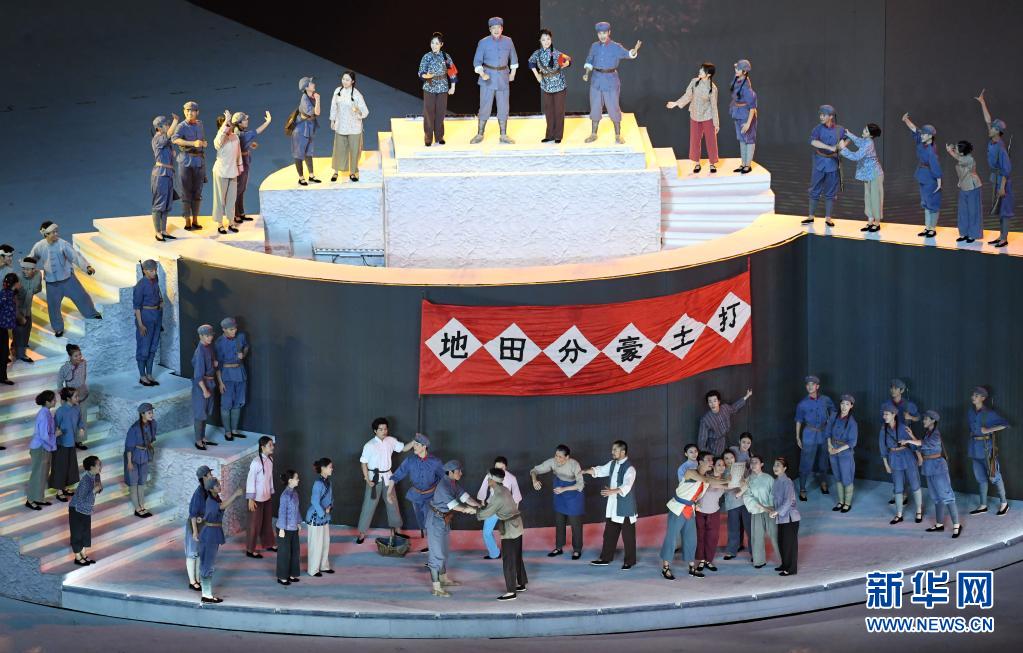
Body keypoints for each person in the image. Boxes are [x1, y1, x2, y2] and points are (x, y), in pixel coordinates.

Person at [659, 451, 726, 579]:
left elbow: (717, 483)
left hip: (690, 510)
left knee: (691, 539)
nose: (711, 463)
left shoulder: (706, 478)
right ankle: (665, 567)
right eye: (708, 460)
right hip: (678, 508)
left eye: (712, 460)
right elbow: (707, 480)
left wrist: (734, 482)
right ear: (700, 461)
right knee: (671, 538)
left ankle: (691, 567)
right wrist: (725, 480)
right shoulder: (691, 472)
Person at [29, 221, 100, 337]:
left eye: (56, 231)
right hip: (52, 284)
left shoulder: (63, 244)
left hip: (68, 280)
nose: (56, 234)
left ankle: (92, 314)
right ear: (46, 234)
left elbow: (75, 256)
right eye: (53, 232)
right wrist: (28, 268)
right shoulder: (39, 246)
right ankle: (58, 328)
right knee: (53, 307)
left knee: (82, 297)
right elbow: (31, 259)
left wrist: (87, 267)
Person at [902, 411, 962, 538]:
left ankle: (957, 525)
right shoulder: (928, 434)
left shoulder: (936, 434)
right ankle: (939, 524)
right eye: (924, 419)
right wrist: (912, 436)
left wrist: (909, 440)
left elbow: (924, 444)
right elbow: (921, 446)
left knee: (947, 496)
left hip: (938, 467)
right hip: (929, 467)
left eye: (926, 419)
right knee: (936, 497)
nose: (923, 421)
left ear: (933, 420)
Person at [426, 460, 479, 597]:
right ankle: (436, 587)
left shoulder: (453, 483)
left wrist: (479, 506)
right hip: (435, 521)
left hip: (444, 520)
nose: (461, 473)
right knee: (437, 554)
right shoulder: (443, 486)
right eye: (458, 471)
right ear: (450, 472)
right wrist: (469, 510)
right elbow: (455, 506)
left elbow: (466, 498)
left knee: (444, 551)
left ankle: (443, 579)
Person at [582, 22, 640, 144]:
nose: (602, 36)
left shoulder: (615, 47)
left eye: (604, 33)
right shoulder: (594, 46)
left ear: (609, 32)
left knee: (613, 107)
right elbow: (589, 60)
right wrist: (587, 73)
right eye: (599, 33)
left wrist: (633, 51)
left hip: (611, 81)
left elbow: (627, 54)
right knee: (595, 106)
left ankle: (618, 135)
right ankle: (593, 133)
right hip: (596, 80)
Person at [356, 417, 412, 543]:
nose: (384, 431)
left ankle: (398, 530)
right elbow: (363, 463)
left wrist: (414, 442)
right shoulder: (369, 445)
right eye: (380, 429)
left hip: (388, 477)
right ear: (375, 431)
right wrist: (367, 479)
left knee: (393, 504)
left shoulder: (391, 440)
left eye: (385, 429)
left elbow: (403, 448)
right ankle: (362, 533)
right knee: (369, 506)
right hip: (374, 478)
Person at [476, 467, 527, 600]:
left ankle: (511, 592)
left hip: (509, 529)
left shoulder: (497, 495)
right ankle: (521, 583)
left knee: (508, 559)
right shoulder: (504, 489)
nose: (487, 479)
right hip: (517, 525)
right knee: (517, 556)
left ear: (493, 480)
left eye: (488, 477)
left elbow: (485, 514)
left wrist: (475, 511)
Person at [585, 440, 637, 569]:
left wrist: (612, 491)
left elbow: (627, 485)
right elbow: (600, 470)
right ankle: (605, 558)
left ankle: (629, 561)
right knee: (609, 534)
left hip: (625, 507)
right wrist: (585, 471)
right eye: (612, 449)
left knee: (628, 537)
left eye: (615, 450)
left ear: (623, 452)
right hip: (613, 506)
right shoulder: (612, 464)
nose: (612, 452)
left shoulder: (630, 468)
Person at [388, 432, 445, 548]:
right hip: (416, 496)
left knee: (430, 521)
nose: (414, 447)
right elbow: (396, 476)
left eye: (417, 445)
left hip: (431, 496)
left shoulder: (436, 462)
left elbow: (444, 479)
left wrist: (444, 496)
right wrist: (389, 492)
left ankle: (433, 546)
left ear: (424, 446)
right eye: (414, 444)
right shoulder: (410, 460)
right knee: (421, 519)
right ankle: (427, 536)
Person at [530, 443, 586, 559]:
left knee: (575, 524)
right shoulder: (552, 462)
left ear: (567, 457)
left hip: (573, 494)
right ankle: (559, 547)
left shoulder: (574, 464)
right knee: (559, 522)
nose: (557, 459)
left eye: (560, 457)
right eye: (556, 455)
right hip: (559, 493)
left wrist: (564, 489)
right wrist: (534, 480)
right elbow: (534, 470)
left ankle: (577, 549)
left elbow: (580, 484)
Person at [470, 17, 519, 145]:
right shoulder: (483, 42)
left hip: (503, 77)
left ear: (502, 28)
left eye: (498, 27)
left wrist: (513, 73)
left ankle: (503, 135)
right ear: (490, 29)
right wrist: (482, 73)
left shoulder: (508, 41)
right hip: (488, 77)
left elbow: (513, 58)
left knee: (504, 106)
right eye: (493, 28)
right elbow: (477, 61)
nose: (496, 30)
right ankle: (480, 134)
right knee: (485, 106)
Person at [975, 90, 1013, 247]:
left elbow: (1006, 170)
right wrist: (983, 103)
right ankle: (1001, 236)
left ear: (998, 131)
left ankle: (1004, 238)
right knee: (999, 209)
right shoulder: (993, 141)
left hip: (1003, 181)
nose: (989, 129)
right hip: (996, 179)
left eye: (992, 128)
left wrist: (1002, 187)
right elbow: (988, 120)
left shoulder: (1001, 148)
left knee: (1004, 210)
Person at [198, 476, 245, 603]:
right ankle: (206, 595)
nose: (219, 486)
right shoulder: (212, 501)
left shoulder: (214, 498)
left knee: (207, 562)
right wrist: (235, 495)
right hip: (210, 534)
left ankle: (206, 592)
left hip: (211, 533)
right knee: (208, 563)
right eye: (217, 485)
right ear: (211, 489)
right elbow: (221, 506)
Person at [666, 62, 720, 173]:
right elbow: (687, 96)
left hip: (708, 116)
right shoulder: (694, 82)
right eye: (700, 69)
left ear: (709, 74)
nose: (700, 71)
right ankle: (697, 163)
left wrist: (716, 123)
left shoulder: (713, 88)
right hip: (695, 115)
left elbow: (714, 106)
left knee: (711, 140)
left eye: (702, 70)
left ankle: (712, 163)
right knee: (695, 140)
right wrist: (676, 103)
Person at [966, 386, 1009, 516]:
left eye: (976, 395)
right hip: (974, 448)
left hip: (986, 449)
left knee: (994, 475)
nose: (973, 397)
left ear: (983, 398)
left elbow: (1005, 424)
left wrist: (988, 430)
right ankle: (983, 505)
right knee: (980, 478)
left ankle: (1004, 503)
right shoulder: (970, 412)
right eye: (973, 395)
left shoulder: (989, 413)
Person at [879, 402, 923, 525]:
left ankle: (919, 510)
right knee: (898, 487)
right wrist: (886, 464)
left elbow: (913, 444)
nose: (884, 416)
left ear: (894, 415)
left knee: (915, 483)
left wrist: (919, 457)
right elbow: (882, 449)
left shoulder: (903, 428)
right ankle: (899, 514)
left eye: (887, 414)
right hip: (893, 458)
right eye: (884, 414)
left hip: (907, 457)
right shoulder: (883, 430)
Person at [836, 123, 884, 232]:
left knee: (875, 198)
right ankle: (870, 221)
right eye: (865, 129)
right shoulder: (866, 141)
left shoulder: (869, 144)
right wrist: (849, 133)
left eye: (866, 131)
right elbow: (858, 141)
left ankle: (877, 223)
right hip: (867, 174)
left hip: (874, 173)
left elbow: (856, 156)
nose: (863, 131)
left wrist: (843, 148)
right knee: (868, 197)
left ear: (871, 135)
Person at [901, 113, 942, 238]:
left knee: (932, 203)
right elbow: (914, 129)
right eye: (922, 133)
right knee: (925, 202)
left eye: (924, 134)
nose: (921, 135)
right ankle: (927, 227)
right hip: (923, 175)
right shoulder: (922, 141)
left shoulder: (931, 150)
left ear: (930, 136)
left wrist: (939, 181)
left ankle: (932, 228)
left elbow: (935, 166)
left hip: (930, 178)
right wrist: (906, 120)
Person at [803, 105, 844, 227]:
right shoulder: (817, 129)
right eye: (820, 114)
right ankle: (811, 216)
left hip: (833, 162)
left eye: (823, 115)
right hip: (819, 161)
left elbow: (845, 139)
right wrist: (829, 147)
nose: (821, 117)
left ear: (831, 116)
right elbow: (813, 141)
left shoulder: (840, 129)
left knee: (831, 190)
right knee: (815, 188)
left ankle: (828, 218)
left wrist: (841, 145)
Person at [795, 375, 835, 500]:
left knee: (824, 460)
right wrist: (797, 437)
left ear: (817, 386)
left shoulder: (826, 400)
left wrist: (830, 423)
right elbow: (798, 420)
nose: (810, 387)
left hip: (824, 433)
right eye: (808, 385)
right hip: (809, 434)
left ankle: (823, 482)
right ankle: (802, 488)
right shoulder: (802, 404)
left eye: (813, 384)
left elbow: (834, 411)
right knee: (805, 462)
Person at [528, 28, 570, 144]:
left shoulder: (556, 53)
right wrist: (537, 75)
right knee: (549, 111)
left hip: (559, 85)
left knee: (559, 111)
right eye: (543, 39)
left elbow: (567, 60)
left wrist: (567, 63)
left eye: (548, 39)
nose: (546, 41)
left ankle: (558, 136)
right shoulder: (537, 53)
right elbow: (531, 63)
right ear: (540, 41)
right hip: (546, 85)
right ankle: (550, 135)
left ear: (551, 40)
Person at [476, 456, 522, 559]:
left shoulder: (512, 478)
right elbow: (483, 489)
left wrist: (513, 514)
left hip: (506, 508)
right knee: (486, 532)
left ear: (506, 467)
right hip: (492, 506)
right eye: (497, 468)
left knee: (508, 533)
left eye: (502, 468)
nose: (499, 470)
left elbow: (516, 497)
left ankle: (511, 554)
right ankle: (495, 553)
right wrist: (483, 504)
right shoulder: (489, 476)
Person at [171, 100, 207, 231]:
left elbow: (201, 139)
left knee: (198, 192)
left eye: (192, 111)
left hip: (199, 161)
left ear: (197, 112)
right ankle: (187, 221)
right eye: (187, 111)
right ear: (184, 112)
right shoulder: (181, 126)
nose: (189, 113)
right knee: (186, 192)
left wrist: (203, 143)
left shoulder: (200, 124)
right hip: (186, 160)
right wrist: (192, 143)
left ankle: (195, 220)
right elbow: (175, 139)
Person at [736, 454, 777, 569]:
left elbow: (773, 494)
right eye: (752, 462)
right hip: (756, 511)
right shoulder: (747, 480)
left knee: (775, 535)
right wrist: (763, 508)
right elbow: (748, 497)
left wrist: (770, 508)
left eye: (756, 462)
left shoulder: (769, 478)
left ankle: (783, 560)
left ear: (761, 464)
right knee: (757, 537)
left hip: (771, 510)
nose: (753, 464)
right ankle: (759, 561)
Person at [329, 71, 369, 183]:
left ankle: (352, 172)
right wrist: (332, 120)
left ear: (352, 81)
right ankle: (336, 171)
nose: (344, 82)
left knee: (354, 150)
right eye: (343, 79)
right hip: (341, 125)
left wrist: (358, 111)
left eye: (347, 80)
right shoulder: (338, 91)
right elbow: (333, 107)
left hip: (354, 127)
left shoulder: (357, 95)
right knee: (339, 149)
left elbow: (365, 112)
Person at [418, 32, 457, 147]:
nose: (434, 45)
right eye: (432, 43)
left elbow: (452, 71)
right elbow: (421, 71)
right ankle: (428, 136)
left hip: (443, 86)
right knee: (429, 112)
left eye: (437, 43)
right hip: (429, 86)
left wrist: (453, 86)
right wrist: (426, 76)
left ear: (441, 44)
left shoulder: (445, 56)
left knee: (441, 112)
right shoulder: (427, 56)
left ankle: (439, 136)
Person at [233, 110, 271, 222]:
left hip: (244, 161)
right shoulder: (241, 134)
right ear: (239, 123)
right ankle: (236, 214)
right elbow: (257, 131)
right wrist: (268, 121)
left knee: (241, 189)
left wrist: (249, 144)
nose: (247, 121)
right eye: (245, 120)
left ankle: (241, 213)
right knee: (238, 189)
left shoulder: (239, 132)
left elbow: (242, 143)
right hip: (241, 163)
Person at [886, 378, 920, 506]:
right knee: (895, 468)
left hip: (906, 439)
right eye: (891, 387)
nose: (893, 390)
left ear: (902, 390)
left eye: (896, 388)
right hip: (892, 439)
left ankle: (905, 494)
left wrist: (910, 417)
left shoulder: (909, 405)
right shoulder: (887, 404)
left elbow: (918, 417)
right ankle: (898, 492)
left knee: (908, 469)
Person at [215, 317, 248, 441]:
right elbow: (217, 365)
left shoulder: (241, 337)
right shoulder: (219, 343)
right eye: (231, 329)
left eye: (235, 328)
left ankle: (234, 430)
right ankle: (227, 431)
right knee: (226, 404)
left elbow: (246, 346)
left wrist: (243, 354)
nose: (234, 331)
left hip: (240, 373)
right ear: (224, 329)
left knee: (238, 403)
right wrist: (220, 383)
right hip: (227, 375)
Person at [212, 110, 244, 235]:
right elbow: (218, 142)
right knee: (220, 199)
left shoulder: (235, 137)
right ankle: (219, 224)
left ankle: (231, 222)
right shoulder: (219, 138)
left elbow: (238, 154)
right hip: (221, 172)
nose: (229, 126)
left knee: (231, 198)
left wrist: (239, 167)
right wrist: (226, 122)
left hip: (232, 171)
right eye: (226, 124)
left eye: (229, 124)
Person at [945, 140, 983, 243]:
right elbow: (959, 157)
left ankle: (973, 234)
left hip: (973, 188)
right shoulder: (962, 156)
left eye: (957, 148)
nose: (955, 149)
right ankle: (964, 233)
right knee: (963, 212)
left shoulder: (969, 159)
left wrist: (950, 151)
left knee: (973, 212)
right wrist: (952, 150)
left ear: (962, 152)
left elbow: (958, 158)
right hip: (963, 187)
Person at [695, 456, 728, 573]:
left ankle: (708, 560)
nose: (721, 467)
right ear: (713, 466)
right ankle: (701, 560)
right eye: (719, 464)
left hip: (714, 511)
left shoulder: (725, 479)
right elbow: (712, 484)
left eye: (723, 465)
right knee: (700, 536)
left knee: (713, 537)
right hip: (700, 510)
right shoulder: (706, 477)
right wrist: (727, 483)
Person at [150, 113, 180, 242]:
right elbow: (169, 134)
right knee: (159, 204)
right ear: (159, 127)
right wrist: (175, 121)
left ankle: (163, 230)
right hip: (160, 174)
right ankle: (157, 232)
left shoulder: (166, 141)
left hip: (168, 173)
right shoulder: (157, 139)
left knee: (167, 204)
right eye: (166, 124)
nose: (168, 126)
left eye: (168, 124)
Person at [124, 402, 157, 518]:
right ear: (142, 414)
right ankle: (137, 508)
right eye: (149, 413)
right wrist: (129, 462)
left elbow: (151, 439)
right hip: (133, 456)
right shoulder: (134, 428)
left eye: (152, 412)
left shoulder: (153, 424)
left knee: (142, 482)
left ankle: (142, 506)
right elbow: (129, 447)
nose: (151, 414)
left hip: (144, 455)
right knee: (134, 483)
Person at [826, 394, 858, 512]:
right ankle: (840, 501)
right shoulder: (834, 416)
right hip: (832, 449)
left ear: (851, 406)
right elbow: (828, 432)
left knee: (846, 478)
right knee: (837, 477)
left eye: (847, 404)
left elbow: (852, 442)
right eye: (842, 403)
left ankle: (847, 503)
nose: (844, 406)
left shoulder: (852, 423)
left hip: (845, 453)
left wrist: (838, 450)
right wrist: (829, 446)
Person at [133, 259, 163, 387]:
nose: (154, 273)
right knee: (143, 348)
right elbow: (137, 307)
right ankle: (142, 376)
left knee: (153, 347)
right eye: (151, 270)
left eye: (155, 270)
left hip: (156, 316)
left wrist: (161, 301)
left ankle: (149, 374)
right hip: (145, 317)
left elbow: (158, 292)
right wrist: (140, 325)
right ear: (144, 271)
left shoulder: (155, 280)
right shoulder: (140, 286)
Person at [245, 436, 276, 558]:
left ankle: (268, 543)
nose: (272, 447)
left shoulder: (270, 460)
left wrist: (270, 491)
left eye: (272, 445)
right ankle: (250, 549)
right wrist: (250, 499)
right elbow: (250, 480)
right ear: (262, 447)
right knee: (254, 525)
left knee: (267, 522)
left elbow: (270, 478)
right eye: (270, 445)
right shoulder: (256, 462)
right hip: (256, 499)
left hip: (266, 497)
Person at [26, 390, 57, 510]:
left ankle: (38, 497)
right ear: (47, 402)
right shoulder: (44, 415)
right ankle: (30, 500)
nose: (55, 401)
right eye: (53, 400)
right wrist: (56, 435)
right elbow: (44, 436)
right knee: (37, 474)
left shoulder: (46, 412)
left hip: (44, 447)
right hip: (41, 448)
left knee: (43, 474)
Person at [50, 387, 83, 501]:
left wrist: (81, 428)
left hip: (71, 443)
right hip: (61, 444)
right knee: (60, 467)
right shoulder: (60, 411)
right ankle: (59, 491)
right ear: (68, 398)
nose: (78, 398)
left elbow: (80, 421)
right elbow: (54, 426)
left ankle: (64, 487)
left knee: (69, 466)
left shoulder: (77, 408)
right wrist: (56, 433)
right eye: (75, 396)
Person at [68, 455, 102, 566]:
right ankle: (77, 557)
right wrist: (94, 491)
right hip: (77, 510)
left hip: (86, 510)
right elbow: (81, 499)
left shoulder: (95, 476)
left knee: (85, 533)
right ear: (92, 467)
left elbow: (98, 485)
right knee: (77, 533)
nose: (100, 466)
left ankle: (84, 554)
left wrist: (98, 488)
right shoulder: (85, 481)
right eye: (99, 465)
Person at [698, 388, 752, 456]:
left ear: (719, 401)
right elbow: (701, 442)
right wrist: (709, 456)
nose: (713, 404)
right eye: (710, 402)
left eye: (715, 401)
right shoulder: (705, 420)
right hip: (715, 447)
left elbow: (734, 408)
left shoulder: (725, 408)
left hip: (728, 441)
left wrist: (746, 396)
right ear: (708, 404)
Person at [769, 457, 800, 576]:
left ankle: (791, 569)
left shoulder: (787, 482)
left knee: (789, 545)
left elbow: (788, 501)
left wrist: (776, 512)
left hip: (790, 518)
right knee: (782, 542)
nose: (775, 467)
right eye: (774, 465)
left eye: (778, 465)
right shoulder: (776, 481)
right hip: (781, 518)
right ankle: (785, 564)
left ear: (785, 468)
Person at [191, 324, 218, 450]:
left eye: (211, 335)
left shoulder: (209, 347)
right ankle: (198, 440)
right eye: (207, 336)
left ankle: (203, 437)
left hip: (210, 382)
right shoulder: (200, 351)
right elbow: (198, 375)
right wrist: (204, 390)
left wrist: (214, 363)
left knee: (205, 412)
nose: (210, 338)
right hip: (202, 386)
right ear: (201, 336)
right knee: (200, 413)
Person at [306, 457, 334, 577]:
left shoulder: (328, 482)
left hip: (325, 517)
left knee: (325, 543)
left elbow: (331, 498)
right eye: (330, 467)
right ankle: (313, 569)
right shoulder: (318, 483)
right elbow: (314, 501)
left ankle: (324, 566)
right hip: (316, 517)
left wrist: (330, 506)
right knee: (316, 544)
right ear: (323, 468)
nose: (332, 469)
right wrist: (323, 512)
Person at [58, 344, 89, 450]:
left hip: (82, 396)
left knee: (82, 419)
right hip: (70, 398)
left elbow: (84, 377)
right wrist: (63, 396)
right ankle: (69, 441)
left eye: (80, 354)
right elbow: (59, 382)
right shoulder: (65, 368)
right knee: (70, 421)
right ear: (70, 356)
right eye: (76, 356)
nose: (79, 357)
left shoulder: (84, 363)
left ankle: (79, 441)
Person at [185, 465, 212, 591]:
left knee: (199, 553)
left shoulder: (208, 490)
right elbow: (193, 514)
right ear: (204, 477)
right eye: (209, 474)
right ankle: (192, 581)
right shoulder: (199, 493)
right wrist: (195, 531)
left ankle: (198, 578)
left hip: (203, 524)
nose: (211, 476)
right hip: (194, 524)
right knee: (192, 553)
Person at [728, 60, 757, 174]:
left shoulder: (746, 87)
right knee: (741, 139)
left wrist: (749, 123)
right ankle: (743, 163)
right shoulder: (737, 80)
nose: (736, 70)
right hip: (738, 112)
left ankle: (748, 165)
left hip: (746, 114)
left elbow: (752, 107)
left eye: (738, 69)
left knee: (748, 139)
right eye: (736, 68)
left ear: (744, 71)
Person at [721, 448, 751, 560]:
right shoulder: (722, 471)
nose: (729, 460)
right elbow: (721, 489)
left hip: (745, 502)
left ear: (735, 458)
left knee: (750, 528)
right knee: (733, 528)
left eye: (731, 457)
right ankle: (732, 550)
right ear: (723, 460)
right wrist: (728, 483)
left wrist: (744, 482)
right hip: (732, 503)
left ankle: (755, 552)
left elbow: (749, 482)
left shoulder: (742, 468)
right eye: (726, 458)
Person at [13, 257, 42, 364]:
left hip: (27, 309)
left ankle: (18, 346)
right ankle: (20, 354)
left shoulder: (38, 275)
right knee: (20, 331)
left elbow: (38, 288)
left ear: (34, 270)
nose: (24, 271)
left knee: (27, 328)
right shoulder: (18, 278)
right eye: (23, 269)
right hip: (18, 310)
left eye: (27, 269)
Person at [292, 77, 321, 185]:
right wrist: (318, 100)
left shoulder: (311, 96)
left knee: (309, 152)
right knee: (299, 154)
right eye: (311, 83)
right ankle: (301, 178)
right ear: (306, 87)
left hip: (308, 128)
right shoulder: (304, 99)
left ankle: (311, 175)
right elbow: (317, 112)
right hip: (301, 130)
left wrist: (316, 99)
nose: (313, 84)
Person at [276, 469, 302, 585]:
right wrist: (281, 529)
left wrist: (298, 522)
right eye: (296, 478)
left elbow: (297, 510)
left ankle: (292, 574)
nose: (298, 480)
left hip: (293, 528)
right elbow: (282, 513)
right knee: (284, 553)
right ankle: (282, 576)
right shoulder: (285, 495)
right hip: (284, 529)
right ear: (290, 480)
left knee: (295, 552)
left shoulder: (295, 493)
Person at [0, 273, 22, 385]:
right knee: (3, 353)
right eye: (18, 282)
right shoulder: (6, 295)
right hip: (1, 328)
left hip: (3, 328)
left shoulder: (8, 293)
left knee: (4, 353)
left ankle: (2, 377)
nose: (20, 284)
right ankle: (2, 377)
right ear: (15, 284)